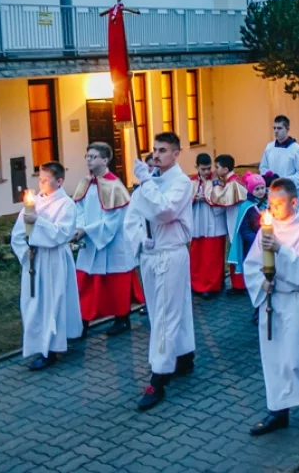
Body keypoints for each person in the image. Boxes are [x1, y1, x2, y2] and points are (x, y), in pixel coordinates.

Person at [244, 178, 299, 436]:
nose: (272, 209)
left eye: (279, 204)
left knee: (296, 357)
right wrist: (262, 282)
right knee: (272, 358)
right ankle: (278, 411)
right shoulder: (265, 229)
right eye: (270, 204)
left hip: (296, 299)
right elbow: (252, 264)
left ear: (294, 202)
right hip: (271, 300)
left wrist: (281, 249)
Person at [124, 133, 196, 411]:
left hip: (171, 253)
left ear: (176, 154)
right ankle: (184, 354)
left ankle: (159, 377)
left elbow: (165, 211)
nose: (156, 155)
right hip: (150, 255)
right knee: (159, 311)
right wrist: (141, 238)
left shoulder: (181, 182)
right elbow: (132, 218)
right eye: (154, 150)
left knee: (167, 314)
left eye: (163, 150)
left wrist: (146, 183)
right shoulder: (149, 182)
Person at [11, 161, 83, 370]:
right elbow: (17, 233)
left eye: (45, 180)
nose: (40, 184)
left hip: (53, 259)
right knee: (32, 303)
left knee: (53, 303)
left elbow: (61, 234)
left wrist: (38, 221)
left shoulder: (65, 204)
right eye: (39, 179)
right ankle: (36, 343)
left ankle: (51, 349)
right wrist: (26, 255)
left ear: (59, 181)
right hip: (35, 260)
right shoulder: (33, 203)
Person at [72, 142, 142, 337]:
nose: (89, 159)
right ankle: (82, 321)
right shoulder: (84, 182)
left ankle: (122, 319)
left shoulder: (115, 186)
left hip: (112, 242)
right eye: (87, 156)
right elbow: (78, 208)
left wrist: (86, 230)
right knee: (85, 281)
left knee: (115, 282)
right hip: (90, 239)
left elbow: (114, 220)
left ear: (105, 160)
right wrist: (79, 226)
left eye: (93, 156)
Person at [227, 172, 268, 305]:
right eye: (257, 189)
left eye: (262, 188)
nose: (261, 191)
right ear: (250, 190)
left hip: (266, 242)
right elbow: (244, 229)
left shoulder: (267, 203)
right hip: (252, 245)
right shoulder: (247, 207)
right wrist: (257, 239)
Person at [210, 155, 250, 294]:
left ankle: (239, 286)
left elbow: (220, 198)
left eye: (217, 167)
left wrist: (215, 184)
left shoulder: (232, 184)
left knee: (236, 249)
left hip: (236, 223)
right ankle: (238, 284)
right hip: (233, 221)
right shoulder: (230, 182)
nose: (215, 170)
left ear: (225, 169)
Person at [188, 153, 226, 298]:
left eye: (208, 168)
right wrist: (193, 198)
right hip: (198, 220)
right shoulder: (191, 182)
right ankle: (196, 283)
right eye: (203, 169)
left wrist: (208, 198)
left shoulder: (217, 180)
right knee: (198, 254)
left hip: (213, 221)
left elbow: (222, 198)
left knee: (212, 255)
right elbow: (183, 200)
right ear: (196, 167)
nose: (206, 172)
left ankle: (212, 285)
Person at [259, 115, 299, 201]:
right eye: (274, 128)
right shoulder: (269, 147)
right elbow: (263, 167)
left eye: (279, 128)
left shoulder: (297, 150)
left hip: (289, 195)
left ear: (287, 129)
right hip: (272, 192)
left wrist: (283, 182)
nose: (276, 131)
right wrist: (269, 179)